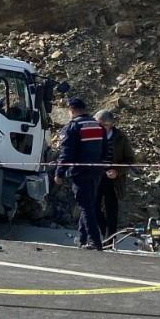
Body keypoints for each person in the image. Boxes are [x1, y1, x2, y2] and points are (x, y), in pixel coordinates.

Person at [54, 98, 107, 251]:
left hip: (80, 172)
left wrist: (59, 173)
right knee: (89, 204)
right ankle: (82, 239)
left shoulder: (73, 127)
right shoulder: (98, 125)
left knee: (86, 207)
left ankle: (95, 241)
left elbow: (66, 153)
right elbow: (105, 150)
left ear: (71, 109)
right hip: (96, 171)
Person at [94, 109, 135, 241]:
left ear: (111, 124)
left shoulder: (121, 138)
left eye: (103, 125)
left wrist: (117, 171)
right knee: (93, 206)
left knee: (111, 209)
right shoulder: (92, 136)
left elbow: (130, 160)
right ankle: (105, 232)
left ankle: (110, 238)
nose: (100, 128)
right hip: (95, 177)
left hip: (113, 179)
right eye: (98, 124)